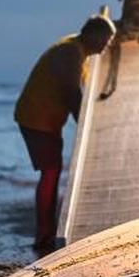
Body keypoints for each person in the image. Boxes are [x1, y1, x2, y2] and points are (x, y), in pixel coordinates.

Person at [15, 15, 116, 254]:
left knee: (52, 172)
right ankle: (44, 236)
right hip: (37, 119)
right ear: (93, 34)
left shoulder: (76, 49)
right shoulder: (70, 52)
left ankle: (45, 233)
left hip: (46, 120)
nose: (106, 46)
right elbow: (71, 92)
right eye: (106, 39)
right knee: (50, 174)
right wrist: (86, 127)